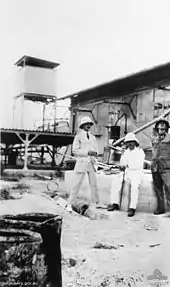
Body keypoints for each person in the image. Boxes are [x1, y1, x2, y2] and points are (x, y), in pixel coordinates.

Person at [66, 116, 100, 212]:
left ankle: (95, 203)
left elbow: (96, 150)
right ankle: (70, 204)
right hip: (82, 162)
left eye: (90, 124)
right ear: (83, 125)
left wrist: (95, 154)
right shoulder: (78, 137)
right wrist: (87, 152)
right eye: (87, 124)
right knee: (76, 184)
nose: (89, 125)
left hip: (91, 163)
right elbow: (75, 151)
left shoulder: (93, 138)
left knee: (93, 184)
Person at [108, 133, 145, 217]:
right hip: (128, 171)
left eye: (131, 142)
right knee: (116, 181)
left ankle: (132, 208)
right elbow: (123, 162)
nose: (130, 144)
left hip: (137, 172)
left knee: (134, 186)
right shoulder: (126, 152)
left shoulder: (140, 151)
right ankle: (115, 203)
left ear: (135, 142)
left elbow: (138, 164)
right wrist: (122, 166)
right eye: (128, 142)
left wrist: (127, 165)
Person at [151, 118, 170, 215]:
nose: (162, 128)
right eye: (160, 127)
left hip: (166, 167)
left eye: (164, 127)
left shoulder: (169, 139)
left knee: (169, 188)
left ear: (166, 129)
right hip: (155, 167)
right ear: (157, 128)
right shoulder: (154, 140)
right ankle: (160, 208)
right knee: (158, 189)